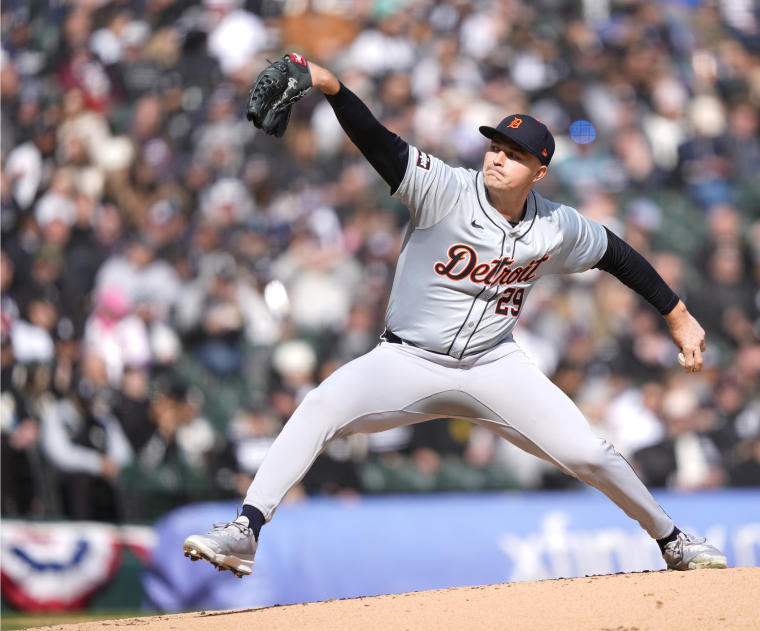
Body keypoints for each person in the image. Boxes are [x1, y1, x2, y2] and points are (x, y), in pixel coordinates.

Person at [183, 53, 726, 577]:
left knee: (591, 452)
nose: (497, 157)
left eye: (514, 154)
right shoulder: (445, 190)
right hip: (408, 360)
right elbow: (381, 144)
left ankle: (672, 540)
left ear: (539, 170)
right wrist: (330, 86)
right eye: (495, 145)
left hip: (494, 366)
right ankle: (246, 529)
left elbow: (618, 255)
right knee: (320, 405)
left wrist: (676, 313)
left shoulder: (556, 225)